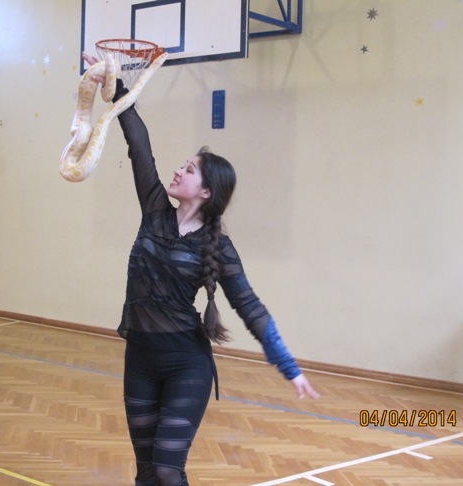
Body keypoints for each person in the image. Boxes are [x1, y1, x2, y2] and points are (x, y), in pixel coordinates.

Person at [82, 53, 319, 486]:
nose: (178, 170)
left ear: (206, 192)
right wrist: (116, 88)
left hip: (186, 364)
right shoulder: (155, 210)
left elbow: (250, 306)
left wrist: (288, 365)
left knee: (168, 469)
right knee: (147, 473)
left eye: (188, 170)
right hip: (139, 358)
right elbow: (139, 146)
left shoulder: (218, 247)